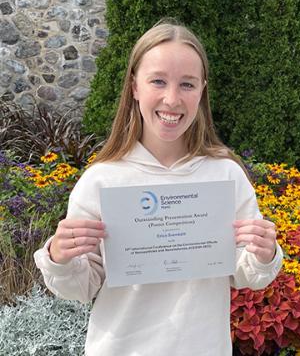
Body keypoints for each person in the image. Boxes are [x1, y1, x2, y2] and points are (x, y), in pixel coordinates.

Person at [34, 19, 283, 356]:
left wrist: (263, 253)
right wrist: (59, 258)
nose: (172, 99)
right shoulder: (101, 180)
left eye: (187, 84)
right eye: (158, 81)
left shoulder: (225, 176)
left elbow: (246, 274)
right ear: (134, 86)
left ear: (202, 90)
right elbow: (81, 287)